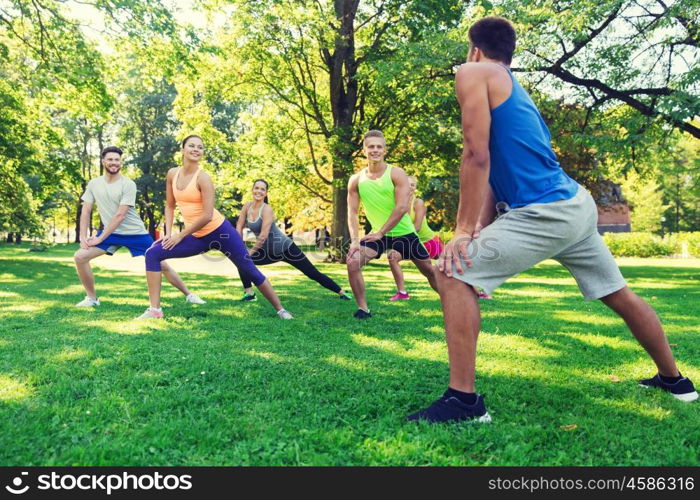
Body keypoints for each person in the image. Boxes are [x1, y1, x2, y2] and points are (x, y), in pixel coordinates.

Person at [407, 17, 697, 423]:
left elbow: (475, 155)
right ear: (510, 52)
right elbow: (494, 169)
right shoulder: (515, 91)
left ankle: (464, 403)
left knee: (451, 273)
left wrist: (459, 233)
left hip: (546, 212)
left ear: (474, 49)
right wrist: (478, 231)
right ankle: (676, 381)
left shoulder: (473, 71)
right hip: (575, 207)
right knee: (619, 294)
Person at [141, 135, 293, 320]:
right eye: (192, 146)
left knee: (249, 269)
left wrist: (179, 235)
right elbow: (170, 205)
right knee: (153, 253)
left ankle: (281, 309)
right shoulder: (173, 174)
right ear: (182, 150)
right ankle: (155, 310)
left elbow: (206, 215)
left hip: (221, 232)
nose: (196, 149)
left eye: (200, 147)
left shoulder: (203, 178)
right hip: (197, 236)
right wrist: (168, 234)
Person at [73, 146, 204, 307]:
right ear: (103, 161)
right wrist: (83, 237)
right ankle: (92, 299)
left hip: (134, 233)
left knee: (161, 264)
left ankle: (189, 294)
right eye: (110, 159)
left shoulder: (128, 184)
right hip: (110, 233)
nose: (114, 163)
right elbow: (86, 210)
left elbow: (120, 215)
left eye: (117, 160)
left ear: (120, 162)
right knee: (80, 257)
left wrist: (99, 238)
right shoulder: (94, 184)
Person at [346, 130, 438, 319]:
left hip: (404, 233)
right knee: (353, 261)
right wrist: (355, 240)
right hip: (378, 235)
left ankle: (450, 299)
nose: (375, 150)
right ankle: (363, 309)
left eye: (379, 147)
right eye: (371, 146)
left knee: (429, 270)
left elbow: (402, 207)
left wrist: (380, 232)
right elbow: (352, 212)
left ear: (385, 150)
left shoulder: (396, 173)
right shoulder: (356, 180)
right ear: (364, 150)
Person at [235, 179, 351, 301]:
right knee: (241, 260)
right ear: (252, 189)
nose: (259, 191)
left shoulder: (267, 209)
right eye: (256, 188)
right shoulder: (247, 206)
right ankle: (249, 294)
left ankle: (342, 292)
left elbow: (263, 235)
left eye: (262, 189)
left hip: (286, 248)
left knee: (312, 273)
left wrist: (251, 252)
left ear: (266, 193)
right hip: (267, 251)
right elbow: (239, 225)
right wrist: (240, 246)